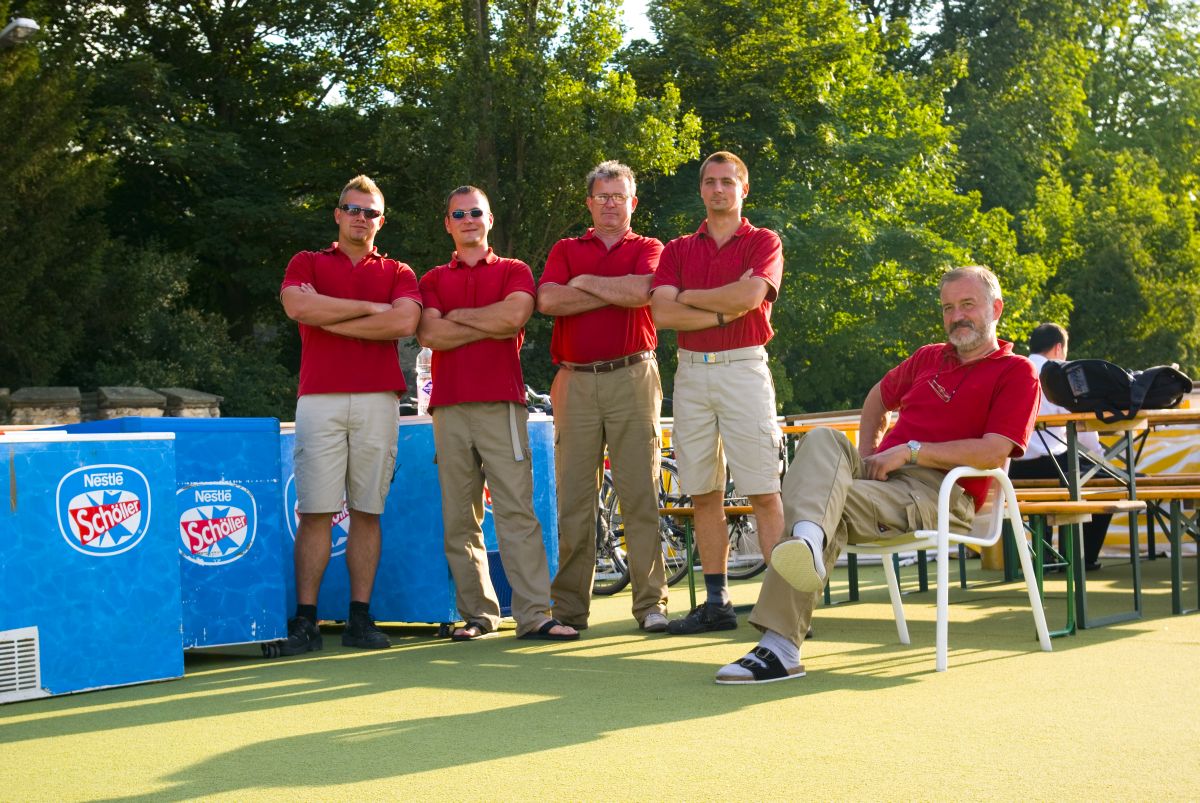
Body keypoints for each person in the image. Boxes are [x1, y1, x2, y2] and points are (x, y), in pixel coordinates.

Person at [715, 266, 1040, 683]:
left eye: (967, 305)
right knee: (822, 439)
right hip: (882, 481)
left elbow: (994, 451)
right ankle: (808, 542)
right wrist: (870, 455)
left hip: (939, 491)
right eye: (948, 308)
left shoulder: (1017, 372)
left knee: (825, 506)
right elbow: (876, 399)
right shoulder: (928, 357)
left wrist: (911, 452)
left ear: (996, 308)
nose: (957, 316)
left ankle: (779, 645)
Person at [417, 185, 579, 642]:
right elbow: (429, 334)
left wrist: (456, 318)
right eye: (458, 214)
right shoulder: (432, 279)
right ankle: (479, 615)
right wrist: (483, 321)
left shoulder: (514, 270)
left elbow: (512, 319)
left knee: (516, 514)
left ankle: (534, 615)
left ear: (489, 220)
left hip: (501, 403)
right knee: (459, 519)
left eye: (476, 212)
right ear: (447, 224)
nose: (468, 220)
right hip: (448, 408)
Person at [278, 175, 423, 654]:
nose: (361, 218)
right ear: (338, 214)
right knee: (315, 511)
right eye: (353, 209)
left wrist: (327, 314)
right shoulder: (307, 262)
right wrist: (367, 309)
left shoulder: (399, 270)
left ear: (382, 220)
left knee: (367, 510)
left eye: (370, 212)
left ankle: (360, 618)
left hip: (378, 398)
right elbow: (297, 306)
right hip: (318, 397)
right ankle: (306, 621)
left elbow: (405, 321)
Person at [650, 151, 786, 635]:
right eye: (710, 182)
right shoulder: (678, 249)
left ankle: (783, 606)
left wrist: (689, 297)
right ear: (701, 189)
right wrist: (724, 308)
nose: (718, 189)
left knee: (763, 490)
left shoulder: (763, 241)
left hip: (743, 367)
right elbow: (662, 313)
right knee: (703, 491)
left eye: (728, 181)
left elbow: (750, 297)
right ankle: (717, 603)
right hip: (691, 373)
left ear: (743, 189)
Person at [537, 161, 670, 633]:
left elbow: (645, 290)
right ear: (589, 203)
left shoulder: (649, 247)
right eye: (602, 196)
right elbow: (548, 301)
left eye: (619, 197)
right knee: (574, 500)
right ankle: (570, 610)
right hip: (575, 381)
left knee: (640, 495)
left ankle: (651, 605)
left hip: (634, 375)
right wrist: (616, 291)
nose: (611, 204)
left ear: (633, 203)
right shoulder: (566, 248)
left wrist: (584, 282)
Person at [1008, 323, 1112, 570]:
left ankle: (1045, 555)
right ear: (1058, 348)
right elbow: (1083, 427)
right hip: (1054, 467)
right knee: (1109, 485)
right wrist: (1100, 457)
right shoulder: (1060, 374)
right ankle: (1081, 559)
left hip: (1013, 469)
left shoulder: (1011, 372)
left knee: (1068, 472)